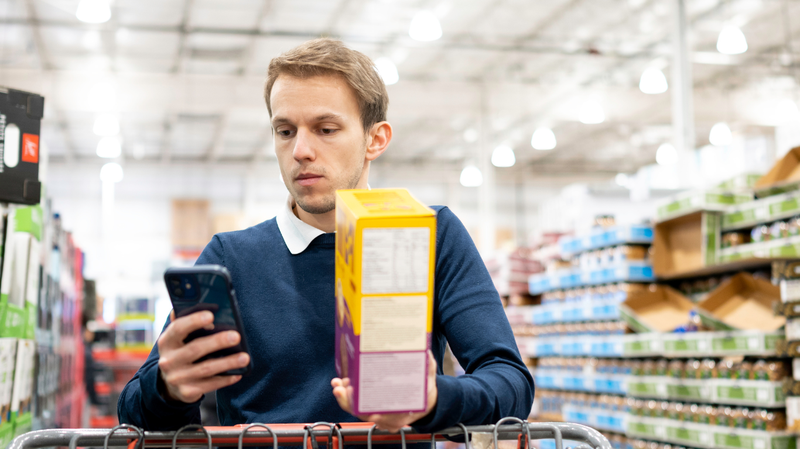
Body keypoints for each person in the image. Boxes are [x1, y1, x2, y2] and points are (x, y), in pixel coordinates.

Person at [118, 38, 534, 434]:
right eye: (285, 131)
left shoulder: (430, 233)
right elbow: (134, 409)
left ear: (375, 139)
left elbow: (510, 383)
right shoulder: (231, 258)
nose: (300, 150)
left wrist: (432, 402)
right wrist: (169, 388)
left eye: (326, 129)